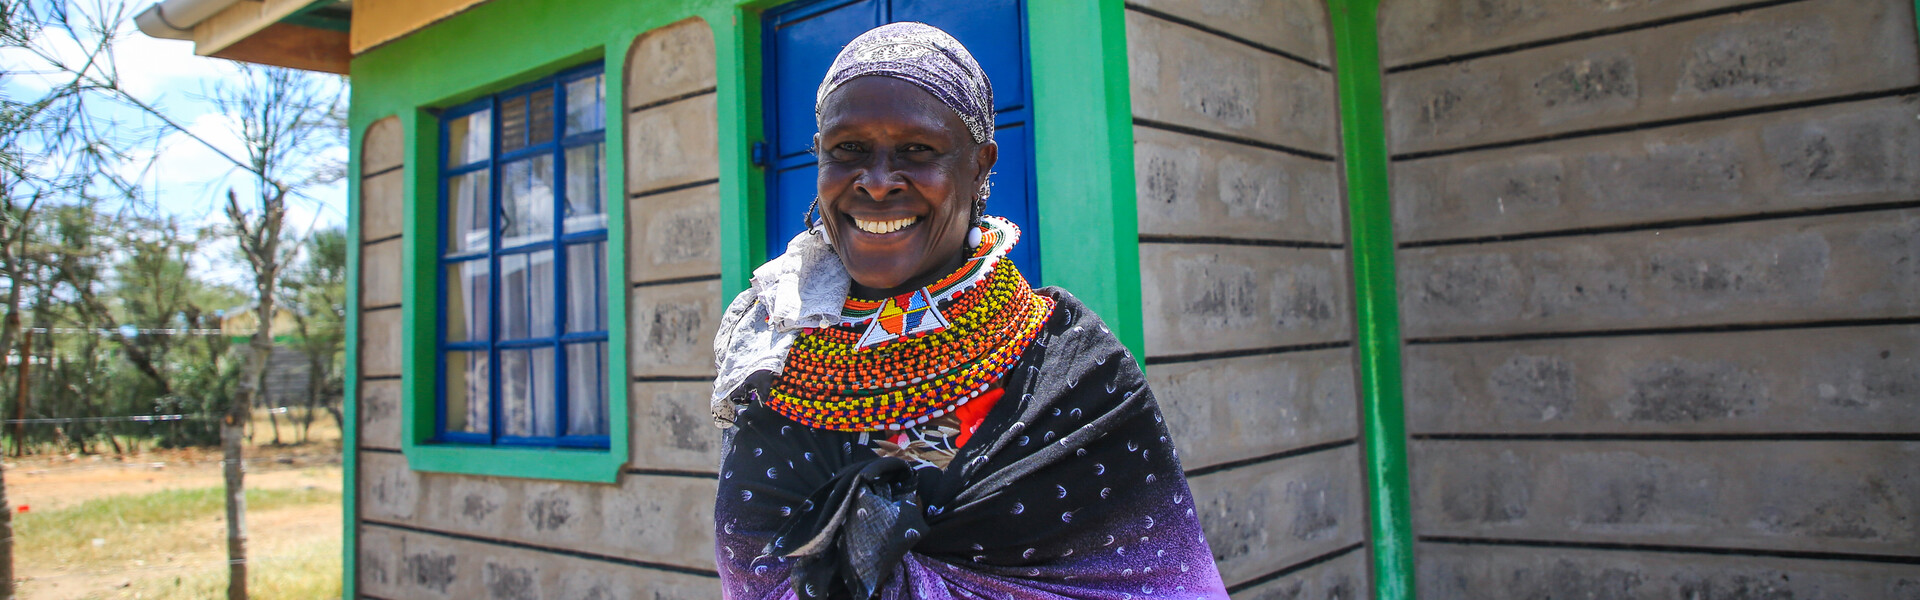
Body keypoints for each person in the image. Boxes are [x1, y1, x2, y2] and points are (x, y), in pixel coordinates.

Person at [711, 22, 1229, 600]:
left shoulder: (1070, 371)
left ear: (980, 165)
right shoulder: (772, 356)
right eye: (848, 149)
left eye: (917, 150)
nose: (878, 182)